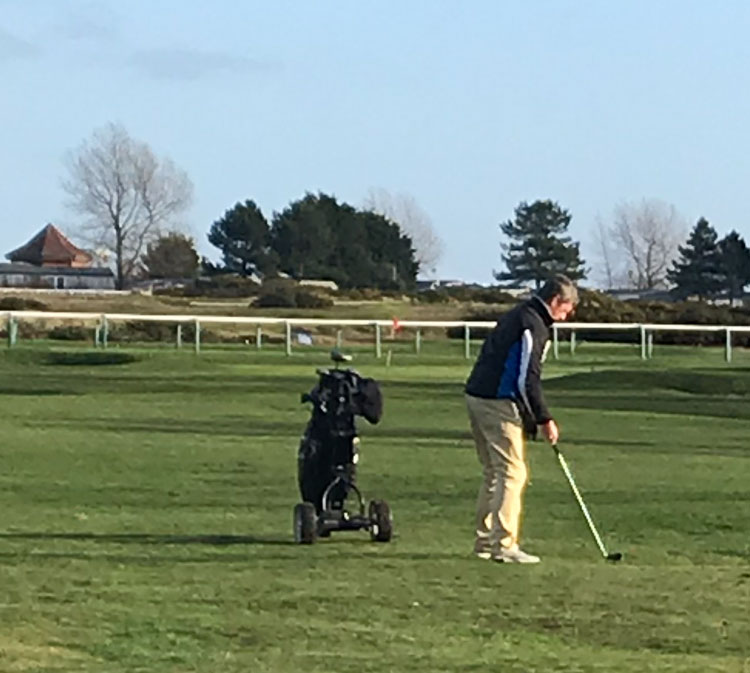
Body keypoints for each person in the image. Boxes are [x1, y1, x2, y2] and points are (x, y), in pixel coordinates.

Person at [465, 274, 578, 563]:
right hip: (496, 401)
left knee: (494, 471)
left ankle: (485, 542)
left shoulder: (520, 314)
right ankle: (503, 545)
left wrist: (530, 419)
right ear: (555, 301)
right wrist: (543, 418)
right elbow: (527, 379)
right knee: (512, 472)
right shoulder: (534, 325)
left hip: (477, 395)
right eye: (566, 309)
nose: (567, 316)